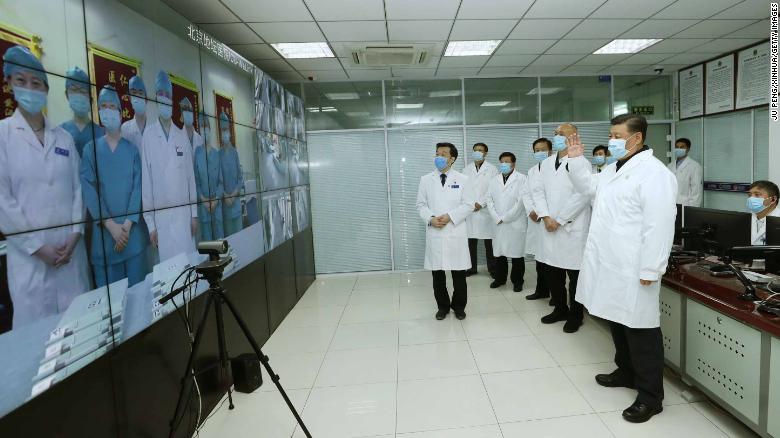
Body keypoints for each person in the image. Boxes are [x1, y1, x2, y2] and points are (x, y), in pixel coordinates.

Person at [565, 113, 677, 424]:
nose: (611, 140)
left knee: (641, 330)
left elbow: (660, 226)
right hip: (610, 263)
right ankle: (626, 372)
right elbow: (588, 188)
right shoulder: (614, 168)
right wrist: (575, 160)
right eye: (611, 135)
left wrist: (651, 269)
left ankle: (651, 396)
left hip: (636, 266)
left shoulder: (655, 174)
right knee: (617, 320)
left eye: (617, 135)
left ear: (636, 138)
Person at [0, 45, 89, 327]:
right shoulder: (3, 135)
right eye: (21, 81)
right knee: (38, 343)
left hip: (71, 255)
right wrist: (38, 247)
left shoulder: (62, 138)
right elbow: (3, 201)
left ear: (46, 89)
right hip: (30, 263)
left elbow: (78, 190)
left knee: (78, 332)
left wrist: (76, 234)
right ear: (9, 84)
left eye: (36, 83)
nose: (29, 88)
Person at [80, 85, 148, 287]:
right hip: (105, 241)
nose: (108, 111)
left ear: (120, 112)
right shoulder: (90, 150)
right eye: (103, 106)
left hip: (133, 237)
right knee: (114, 308)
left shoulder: (132, 151)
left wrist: (125, 226)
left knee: (139, 298)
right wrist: (112, 227)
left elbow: (137, 189)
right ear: (98, 111)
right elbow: (90, 192)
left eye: (112, 106)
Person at [531, 123, 591, 333]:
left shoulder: (581, 163)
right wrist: (546, 217)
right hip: (549, 226)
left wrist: (560, 219)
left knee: (574, 275)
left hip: (571, 227)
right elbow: (537, 192)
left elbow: (583, 195)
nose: (556, 137)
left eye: (561, 134)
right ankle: (559, 308)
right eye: (555, 134)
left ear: (573, 137)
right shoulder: (546, 164)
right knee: (552, 272)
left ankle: (576, 315)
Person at [141, 70, 198, 262]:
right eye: (161, 94)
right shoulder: (148, 136)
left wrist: (194, 215)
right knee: (169, 273)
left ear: (173, 100)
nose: (164, 99)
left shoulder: (181, 135)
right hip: (162, 221)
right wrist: (150, 224)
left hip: (184, 218)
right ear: (156, 98)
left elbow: (190, 178)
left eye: (168, 95)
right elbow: (146, 184)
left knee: (189, 266)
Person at [416, 142, 473, 321]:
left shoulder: (463, 179)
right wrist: (431, 218)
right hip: (435, 231)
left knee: (458, 274)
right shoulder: (426, 179)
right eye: (437, 153)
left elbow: (469, 204)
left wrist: (450, 216)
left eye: (443, 154)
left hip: (455, 230)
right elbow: (420, 205)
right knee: (437, 275)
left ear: (452, 158)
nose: (439, 157)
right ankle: (443, 307)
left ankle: (459, 307)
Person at [486, 152, 527, 292]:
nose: (503, 164)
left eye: (507, 162)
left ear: (513, 164)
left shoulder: (522, 179)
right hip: (497, 222)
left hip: (515, 222)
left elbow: (520, 202)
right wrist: (496, 217)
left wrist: (506, 217)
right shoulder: (493, 180)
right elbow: (489, 200)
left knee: (517, 255)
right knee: (499, 253)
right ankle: (500, 279)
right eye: (501, 162)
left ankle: (517, 281)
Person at [523, 138, 552, 301]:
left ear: (550, 151)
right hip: (535, 219)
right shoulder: (532, 171)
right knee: (539, 259)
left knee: (551, 260)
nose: (539, 153)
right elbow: (526, 193)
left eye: (543, 149)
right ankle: (541, 290)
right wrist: (531, 211)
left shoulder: (557, 168)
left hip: (549, 219)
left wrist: (542, 213)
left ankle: (555, 294)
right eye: (536, 150)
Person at [464, 142, 498, 277]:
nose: (477, 152)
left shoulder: (493, 169)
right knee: (470, 242)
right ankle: (471, 268)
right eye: (475, 150)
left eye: (480, 150)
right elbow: (464, 189)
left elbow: (493, 190)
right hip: (471, 210)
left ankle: (493, 269)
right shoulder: (466, 170)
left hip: (486, 211)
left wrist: (481, 203)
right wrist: (471, 204)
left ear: (485, 153)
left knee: (489, 243)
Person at [193, 111, 224, 241]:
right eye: (201, 126)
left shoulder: (217, 154)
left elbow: (221, 182)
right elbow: (196, 181)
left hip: (217, 206)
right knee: (208, 244)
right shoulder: (197, 153)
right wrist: (204, 200)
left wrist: (216, 199)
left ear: (210, 129)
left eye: (206, 126)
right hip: (204, 206)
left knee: (220, 241)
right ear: (199, 130)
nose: (204, 129)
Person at [60, 66, 104, 158]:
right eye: (74, 90)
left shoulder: (101, 134)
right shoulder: (60, 132)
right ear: (67, 95)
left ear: (90, 99)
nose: (78, 94)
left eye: (83, 91)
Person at [219, 112, 243, 236]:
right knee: (230, 241)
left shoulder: (235, 153)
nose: (225, 132)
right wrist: (225, 195)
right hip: (226, 206)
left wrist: (233, 195)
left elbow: (240, 178)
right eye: (222, 130)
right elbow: (218, 180)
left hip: (236, 205)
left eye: (226, 129)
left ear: (230, 131)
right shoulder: (219, 155)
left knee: (240, 237)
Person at [668, 138, 702, 207]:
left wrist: (692, 209)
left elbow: (696, 191)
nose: (679, 149)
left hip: (685, 206)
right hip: (670, 205)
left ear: (688, 149)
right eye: (677, 147)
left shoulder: (694, 166)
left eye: (682, 147)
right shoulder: (670, 166)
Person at [746, 180, 780, 245]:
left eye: (757, 195)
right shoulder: (745, 219)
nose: (751, 198)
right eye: (749, 195)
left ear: (773, 199)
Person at [121, 75, 148, 152]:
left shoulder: (155, 127)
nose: (137, 96)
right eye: (134, 93)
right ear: (130, 98)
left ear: (146, 99)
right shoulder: (125, 129)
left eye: (140, 93)